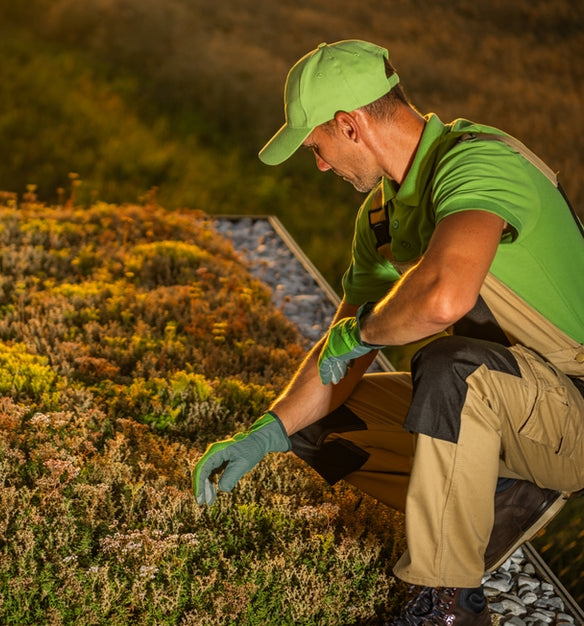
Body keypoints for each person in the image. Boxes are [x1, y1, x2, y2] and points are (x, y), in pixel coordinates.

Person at [192, 39, 584, 624]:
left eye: (315, 145)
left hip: (572, 408)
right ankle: (494, 495)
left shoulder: (479, 166)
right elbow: (338, 353)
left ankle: (449, 602)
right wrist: (266, 431)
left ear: (349, 125)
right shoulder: (381, 218)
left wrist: (368, 332)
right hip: (522, 405)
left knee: (453, 368)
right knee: (324, 416)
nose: (319, 163)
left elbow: (444, 296)